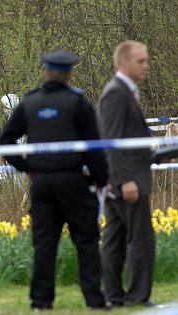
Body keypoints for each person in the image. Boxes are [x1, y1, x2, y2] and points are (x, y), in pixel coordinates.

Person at [0, 50, 109, 311]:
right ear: (69, 74)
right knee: (86, 240)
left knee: (45, 243)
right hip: (73, 180)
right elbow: (94, 147)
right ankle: (94, 300)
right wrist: (99, 179)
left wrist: (27, 167)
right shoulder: (78, 103)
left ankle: (40, 301)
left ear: (44, 72)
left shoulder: (30, 103)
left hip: (42, 183)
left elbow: (5, 141)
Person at [97, 40, 156, 308]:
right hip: (127, 180)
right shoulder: (116, 94)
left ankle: (113, 296)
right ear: (124, 63)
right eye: (141, 61)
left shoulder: (125, 91)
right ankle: (136, 296)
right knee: (139, 239)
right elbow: (112, 140)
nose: (147, 65)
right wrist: (124, 180)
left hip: (120, 178)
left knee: (115, 238)